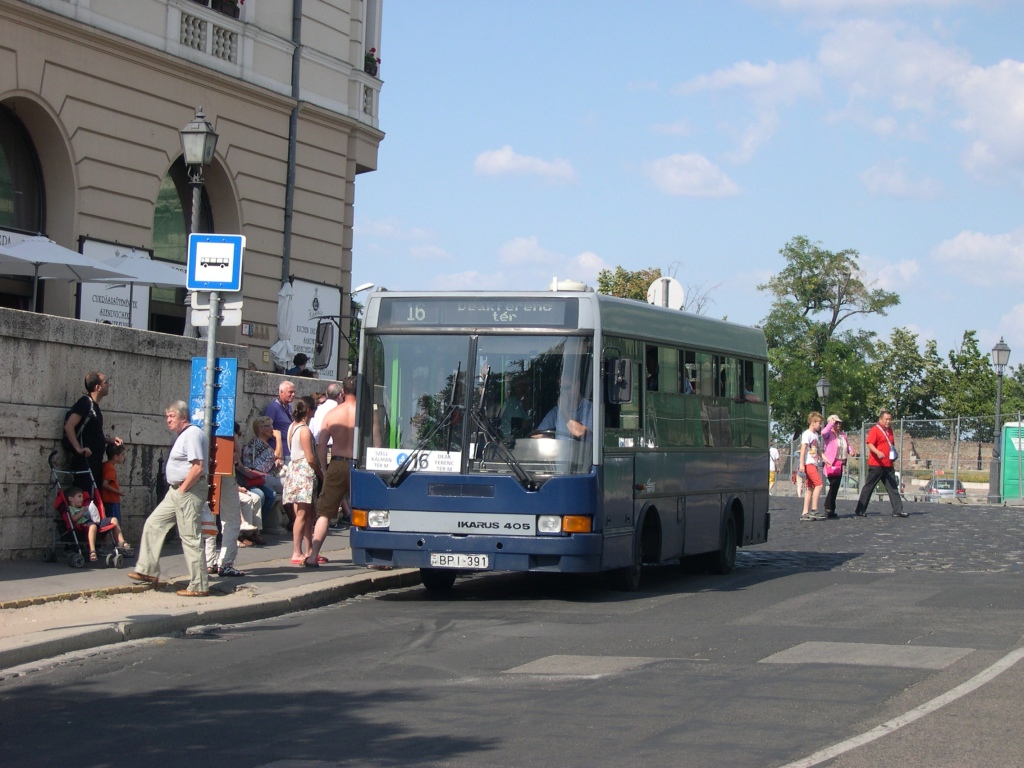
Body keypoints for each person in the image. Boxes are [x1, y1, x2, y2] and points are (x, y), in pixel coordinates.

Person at [129, 400, 210, 597]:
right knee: (154, 524)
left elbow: (198, 467)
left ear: (183, 416)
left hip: (188, 490)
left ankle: (199, 585)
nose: (168, 420)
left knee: (190, 536)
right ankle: (147, 570)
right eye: (167, 416)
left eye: (172, 416)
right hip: (177, 490)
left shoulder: (192, 434)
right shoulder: (185, 435)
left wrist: (182, 489)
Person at [307, 376, 357, 567]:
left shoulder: (332, 414)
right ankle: (372, 557)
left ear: (343, 392)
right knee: (367, 510)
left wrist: (324, 468)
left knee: (325, 513)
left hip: (337, 462)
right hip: (358, 465)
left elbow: (321, 445)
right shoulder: (366, 414)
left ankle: (313, 555)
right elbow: (376, 441)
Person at [64, 371, 123, 492]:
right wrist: (79, 449)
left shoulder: (95, 407)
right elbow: (69, 426)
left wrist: (109, 440)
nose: (108, 385)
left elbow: (92, 433)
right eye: (105, 382)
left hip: (95, 462)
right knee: (86, 500)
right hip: (85, 463)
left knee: (93, 500)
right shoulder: (85, 403)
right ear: (97, 387)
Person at [285, 396, 323, 565]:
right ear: (308, 410)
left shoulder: (292, 427)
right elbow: (310, 457)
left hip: (293, 471)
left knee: (306, 514)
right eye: (314, 409)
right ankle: (297, 551)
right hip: (304, 473)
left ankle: (307, 550)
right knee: (302, 514)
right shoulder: (305, 430)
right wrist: (320, 473)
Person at [854, 410, 907, 518]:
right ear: (880, 419)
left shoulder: (890, 431)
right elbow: (870, 443)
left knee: (893, 487)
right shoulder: (875, 430)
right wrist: (877, 452)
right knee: (869, 487)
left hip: (888, 464)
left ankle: (898, 510)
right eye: (886, 419)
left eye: (890, 419)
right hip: (876, 464)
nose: (888, 421)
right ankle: (860, 510)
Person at [66, 485, 131, 561]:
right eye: (79, 496)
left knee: (114, 519)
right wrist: (83, 511)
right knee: (93, 526)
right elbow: (73, 519)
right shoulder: (70, 509)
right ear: (71, 499)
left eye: (82, 497)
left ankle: (122, 542)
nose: (82, 499)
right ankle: (92, 551)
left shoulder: (84, 507)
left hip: (94, 522)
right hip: (83, 525)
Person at [822, 414, 856, 518]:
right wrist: (830, 423)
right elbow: (823, 432)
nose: (838, 425)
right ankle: (828, 506)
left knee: (836, 486)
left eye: (839, 423)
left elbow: (847, 444)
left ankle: (831, 508)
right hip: (830, 462)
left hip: (840, 462)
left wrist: (851, 451)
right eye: (836, 423)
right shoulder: (829, 434)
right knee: (833, 484)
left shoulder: (842, 435)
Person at [799, 412, 825, 521]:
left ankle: (805, 512)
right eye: (819, 423)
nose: (820, 425)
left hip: (814, 463)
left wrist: (826, 460)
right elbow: (803, 449)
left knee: (810, 488)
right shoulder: (807, 434)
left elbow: (818, 451)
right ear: (813, 423)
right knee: (819, 484)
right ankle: (814, 510)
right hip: (809, 463)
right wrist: (801, 464)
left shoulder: (816, 436)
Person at [264, 381, 296, 459]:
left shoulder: (289, 407)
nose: (293, 395)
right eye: (290, 392)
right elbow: (265, 429)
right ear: (281, 392)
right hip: (280, 452)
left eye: (294, 392)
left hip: (289, 450)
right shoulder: (273, 408)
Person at [100, 443, 126, 523]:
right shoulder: (110, 468)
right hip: (111, 500)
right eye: (122, 454)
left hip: (108, 500)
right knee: (115, 523)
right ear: (116, 457)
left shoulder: (105, 465)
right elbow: (105, 484)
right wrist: (118, 492)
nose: (123, 457)